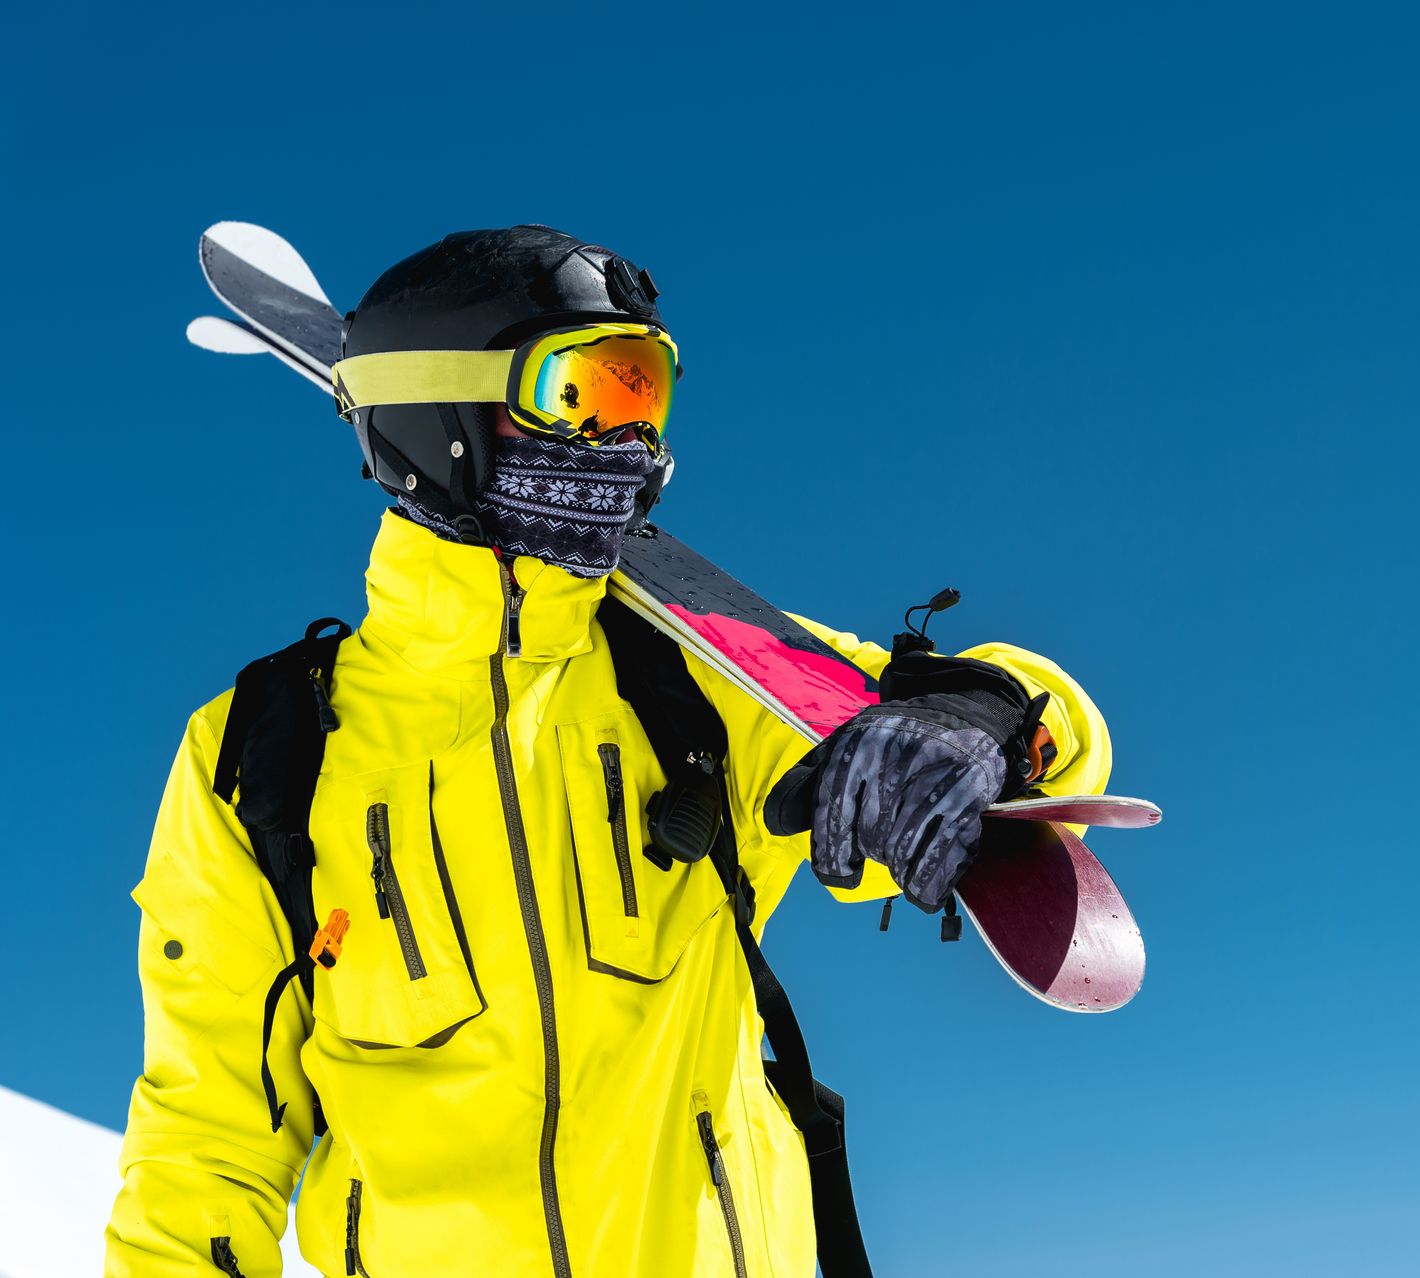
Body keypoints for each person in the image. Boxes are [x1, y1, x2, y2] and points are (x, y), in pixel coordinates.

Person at [105, 226, 1111, 1277]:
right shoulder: (264, 753)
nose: (630, 444)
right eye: (584, 394)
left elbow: (1045, 726)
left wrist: (984, 724)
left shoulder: (706, 680)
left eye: (646, 396)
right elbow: (207, 1139)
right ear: (438, 414)